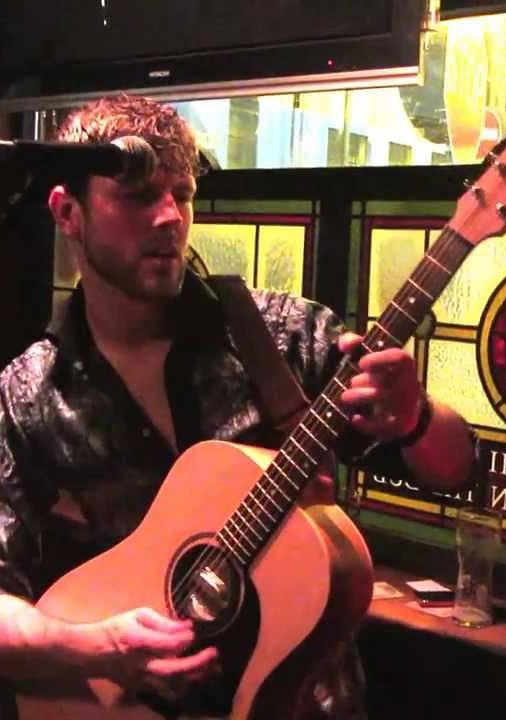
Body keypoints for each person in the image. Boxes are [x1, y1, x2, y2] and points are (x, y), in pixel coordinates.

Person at [0, 94, 479, 718]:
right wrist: (99, 649)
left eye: (182, 194)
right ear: (67, 213)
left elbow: (457, 471)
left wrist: (415, 418)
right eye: (139, 196)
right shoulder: (29, 393)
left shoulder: (284, 339)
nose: (169, 217)